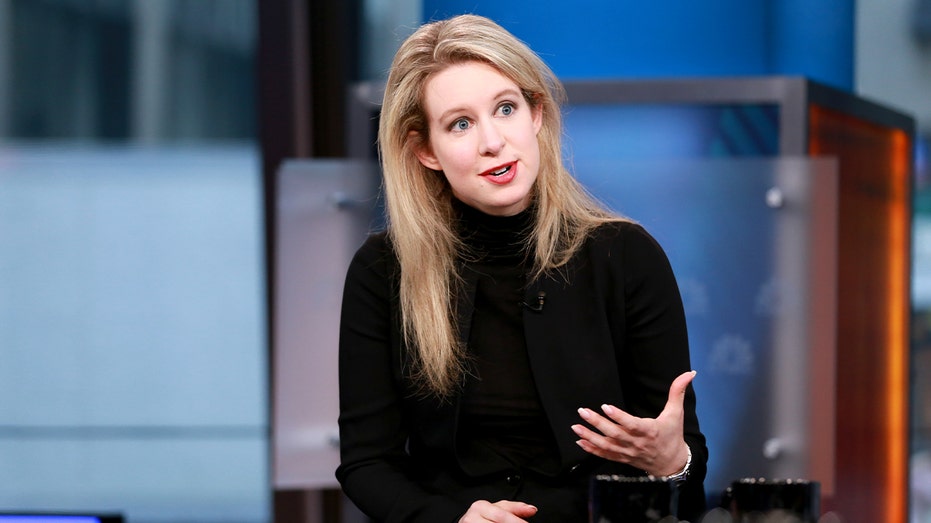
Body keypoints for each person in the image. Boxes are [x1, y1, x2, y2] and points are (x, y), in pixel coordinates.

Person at [336, 13, 707, 523]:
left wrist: (672, 462)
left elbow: (686, 474)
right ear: (426, 151)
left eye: (505, 109)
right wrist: (451, 520)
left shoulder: (626, 255)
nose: (492, 141)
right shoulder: (383, 270)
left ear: (536, 114)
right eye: (460, 124)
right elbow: (366, 462)